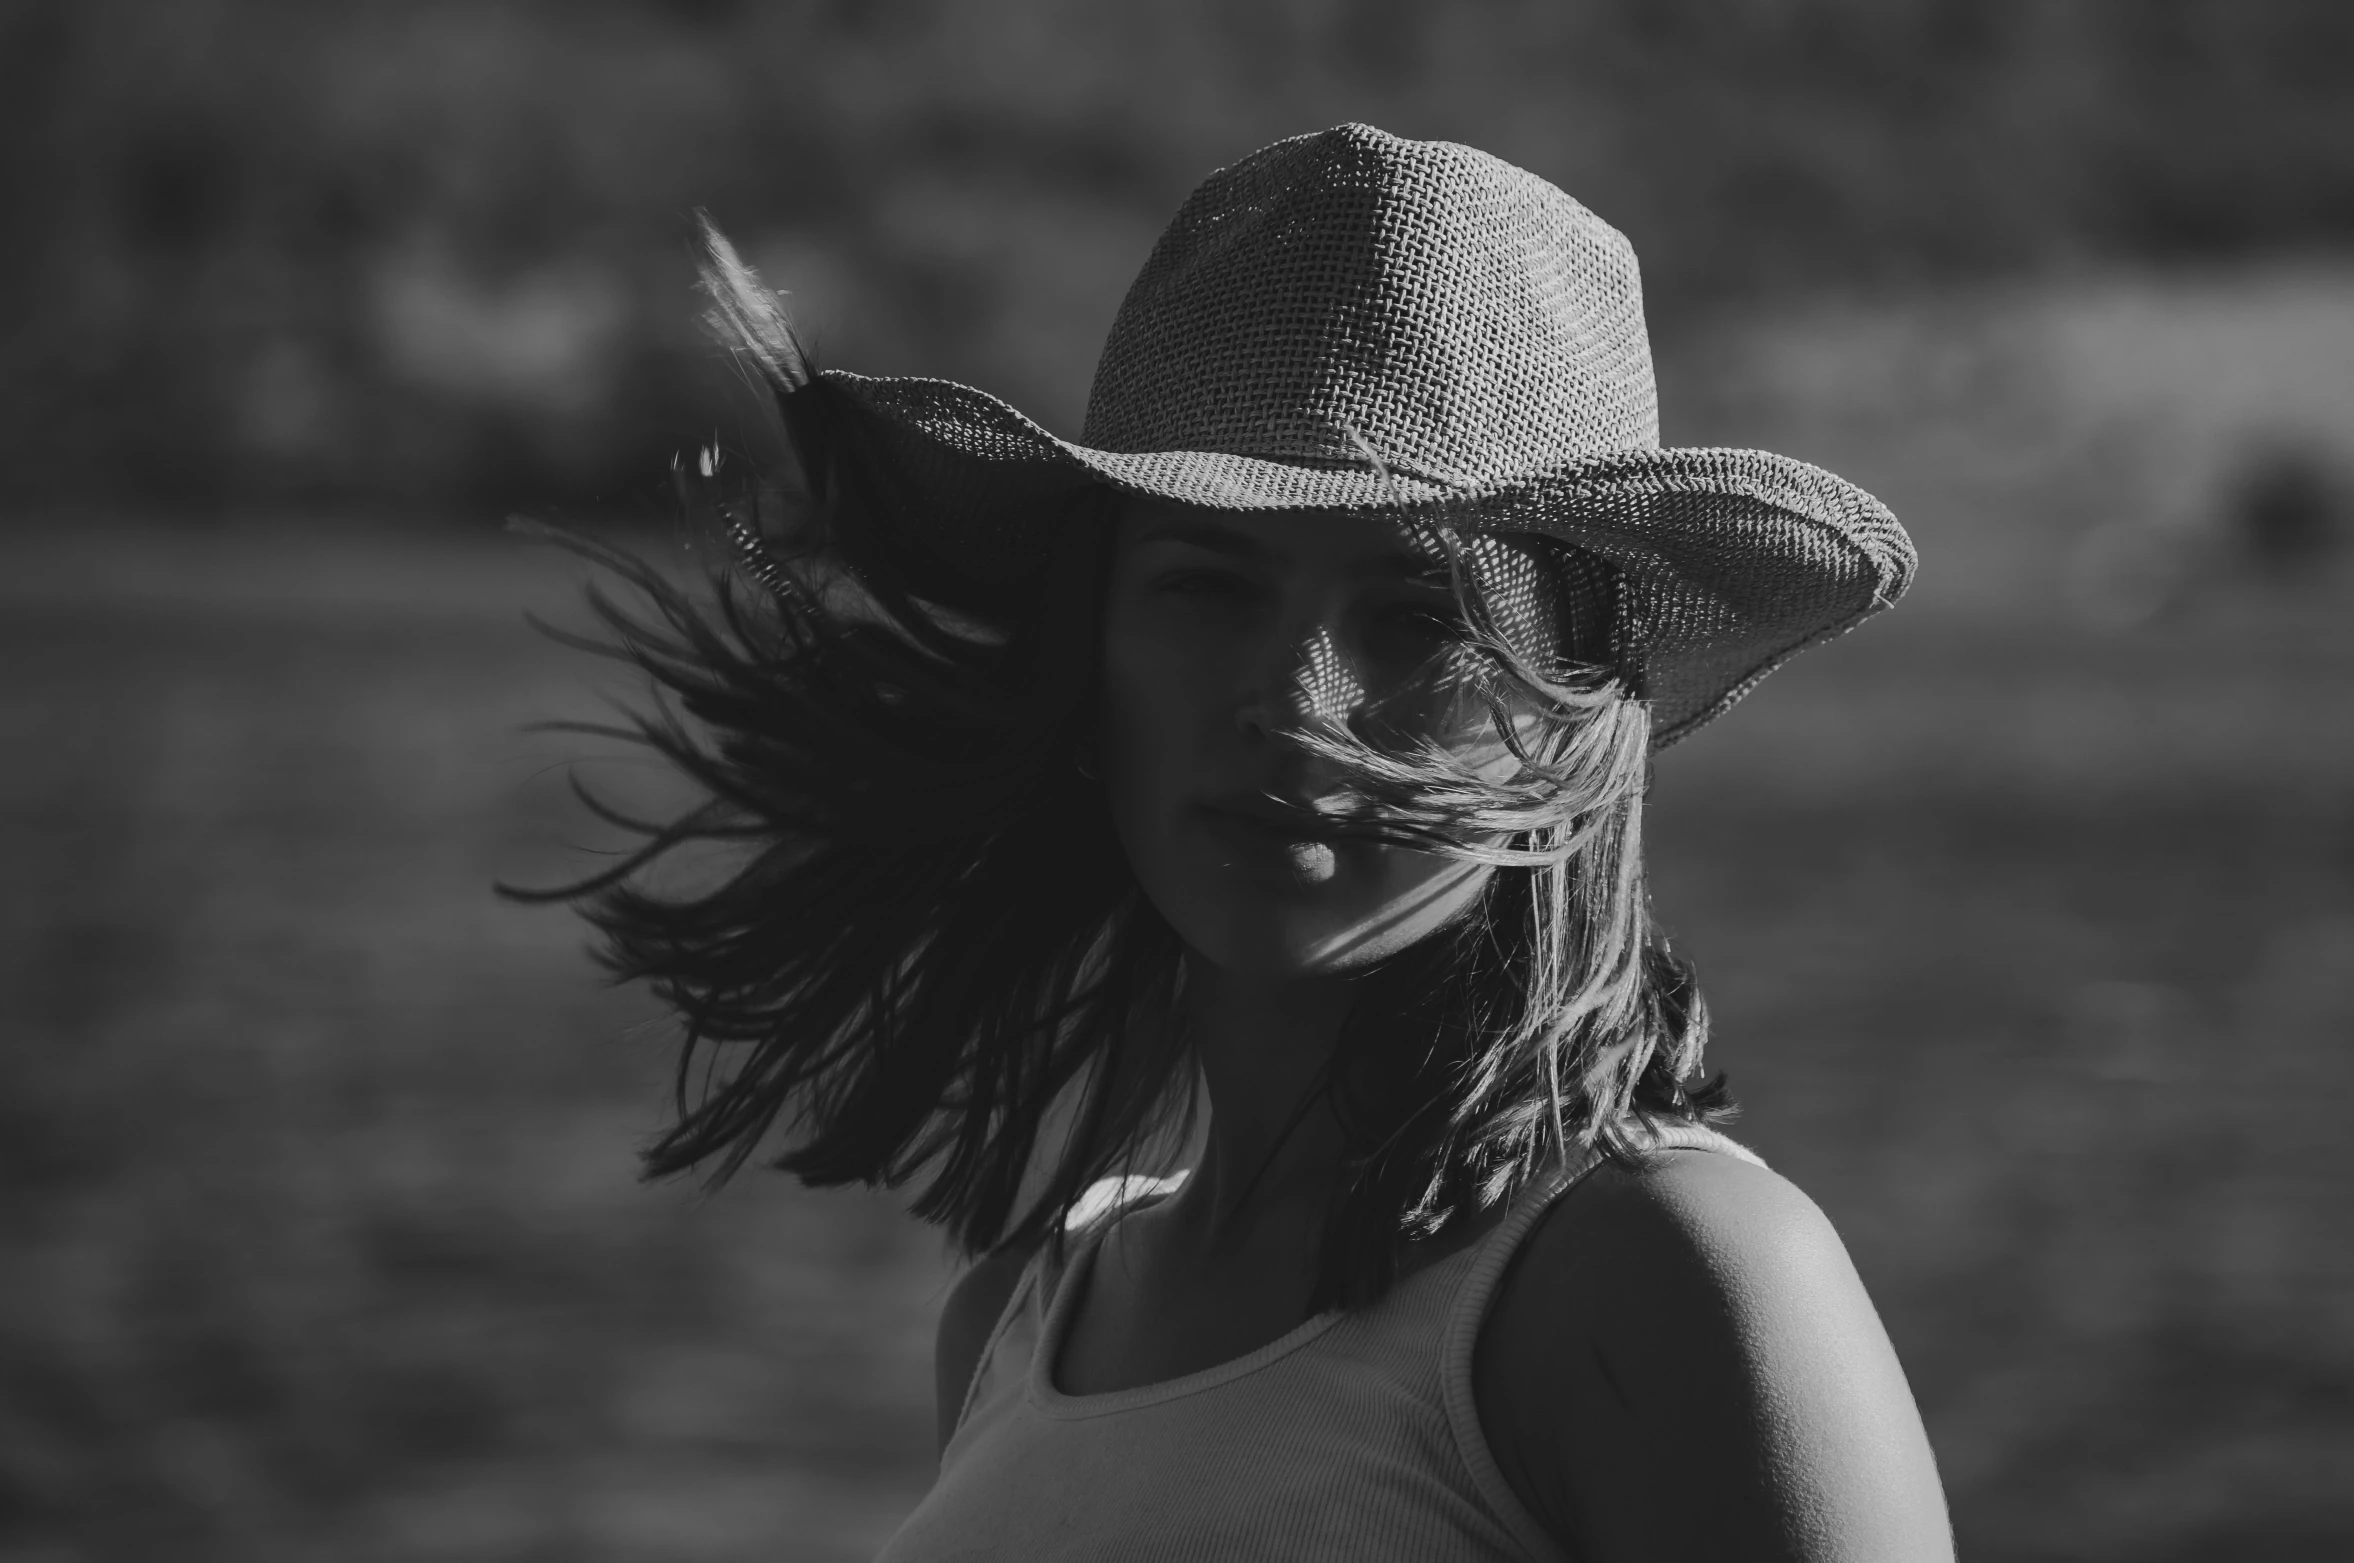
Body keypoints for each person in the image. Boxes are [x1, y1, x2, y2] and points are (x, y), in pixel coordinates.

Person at [537, 124, 1953, 1560]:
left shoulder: (1663, 1274)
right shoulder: (1019, 1324)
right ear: (1088, 665)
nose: (1290, 702)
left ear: (1572, 717)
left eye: (1414, 618)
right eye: (1208, 588)